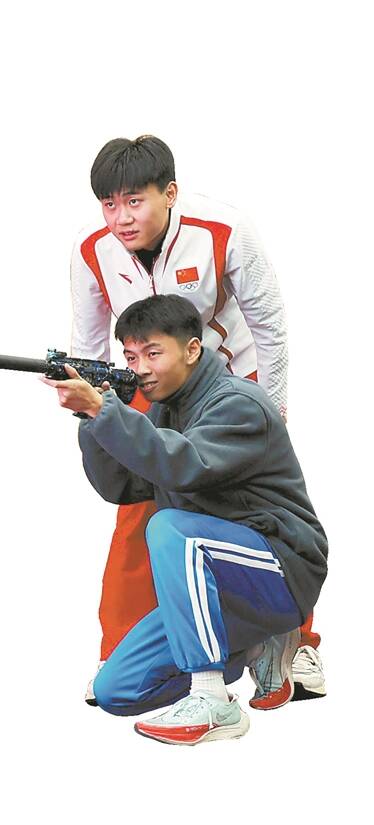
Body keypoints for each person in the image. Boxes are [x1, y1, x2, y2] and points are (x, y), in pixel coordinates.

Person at [70, 135, 325, 704]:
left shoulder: (224, 229)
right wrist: (92, 409)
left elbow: (269, 324)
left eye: (134, 201)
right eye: (109, 204)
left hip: (230, 380)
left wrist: (274, 411)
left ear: (170, 193)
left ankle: (294, 641)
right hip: (153, 383)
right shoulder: (92, 250)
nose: (120, 217)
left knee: (256, 509)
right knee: (142, 514)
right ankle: (122, 649)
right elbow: (87, 347)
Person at [43, 295, 328, 745]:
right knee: (116, 690)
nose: (141, 369)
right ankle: (252, 644)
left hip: (282, 567)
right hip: (217, 578)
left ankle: (212, 698)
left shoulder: (238, 402)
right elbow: (121, 487)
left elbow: (185, 465)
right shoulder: (167, 408)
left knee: (168, 527)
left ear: (193, 349)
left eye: (153, 353)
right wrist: (91, 417)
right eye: (131, 357)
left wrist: (106, 412)